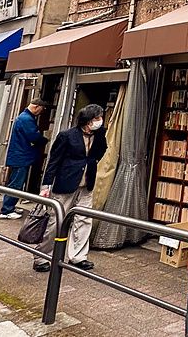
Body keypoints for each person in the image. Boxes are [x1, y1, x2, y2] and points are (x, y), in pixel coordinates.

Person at [35, 105, 108, 272]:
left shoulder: (98, 135)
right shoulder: (66, 136)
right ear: (88, 119)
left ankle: (78, 257)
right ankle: (42, 257)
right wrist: (46, 185)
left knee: (84, 220)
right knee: (56, 221)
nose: (99, 121)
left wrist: (100, 134)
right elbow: (53, 161)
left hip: (86, 185)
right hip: (65, 184)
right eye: (97, 118)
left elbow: (101, 152)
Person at [0, 98, 51, 220]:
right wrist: (45, 140)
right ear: (37, 107)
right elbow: (33, 136)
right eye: (42, 109)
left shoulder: (23, 117)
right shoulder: (26, 119)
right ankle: (6, 210)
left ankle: (9, 207)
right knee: (16, 184)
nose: (41, 112)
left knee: (16, 182)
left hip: (19, 155)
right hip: (21, 156)